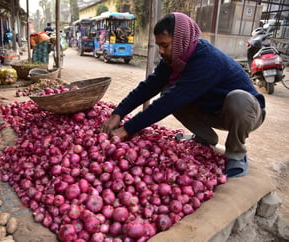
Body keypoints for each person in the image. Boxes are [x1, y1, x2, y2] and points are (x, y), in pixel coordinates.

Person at [101, 12, 266, 178]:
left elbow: (169, 102)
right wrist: (118, 113)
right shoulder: (173, 59)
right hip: (212, 110)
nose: (161, 51)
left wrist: (127, 129)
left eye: (165, 45)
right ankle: (206, 137)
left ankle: (236, 154)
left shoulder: (207, 60)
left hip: (247, 112)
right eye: (159, 45)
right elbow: (149, 86)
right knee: (168, 91)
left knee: (237, 98)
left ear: (181, 41)